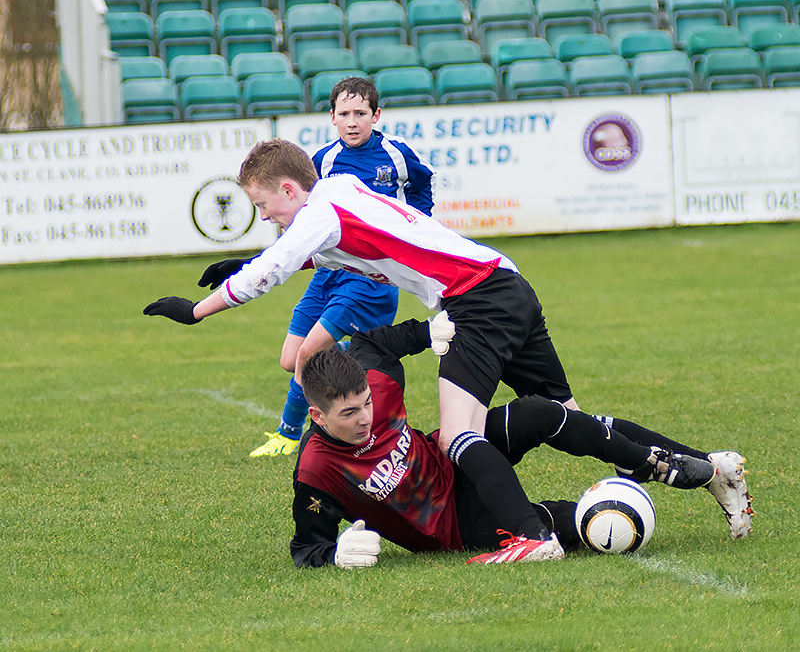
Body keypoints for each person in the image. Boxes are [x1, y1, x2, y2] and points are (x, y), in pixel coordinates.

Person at [143, 138, 752, 562]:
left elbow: (275, 268)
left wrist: (198, 310)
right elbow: (324, 246)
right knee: (567, 415)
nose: (265, 217)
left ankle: (530, 538)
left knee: (459, 439)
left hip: (472, 302)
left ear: (285, 187)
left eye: (263, 206)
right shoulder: (341, 189)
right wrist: (258, 256)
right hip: (508, 282)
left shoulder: (317, 213)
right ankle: (709, 467)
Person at [290, 316, 750, 567]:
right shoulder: (317, 468)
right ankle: (545, 531)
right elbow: (306, 547)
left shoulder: (374, 380)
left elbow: (374, 342)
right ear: (317, 416)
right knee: (593, 525)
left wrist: (424, 332)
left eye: (367, 404)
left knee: (540, 412)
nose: (366, 418)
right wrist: (334, 553)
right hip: (456, 525)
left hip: (450, 454)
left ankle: (688, 465)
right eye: (349, 414)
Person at [199, 77, 435, 457]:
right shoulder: (321, 160)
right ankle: (361, 349)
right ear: (332, 117)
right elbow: (305, 221)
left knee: (308, 355)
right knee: (290, 359)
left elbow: (424, 182)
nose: (353, 121)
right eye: (345, 114)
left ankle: (289, 434)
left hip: (367, 276)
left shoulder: (396, 154)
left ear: (376, 115)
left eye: (361, 113)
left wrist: (416, 223)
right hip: (327, 270)